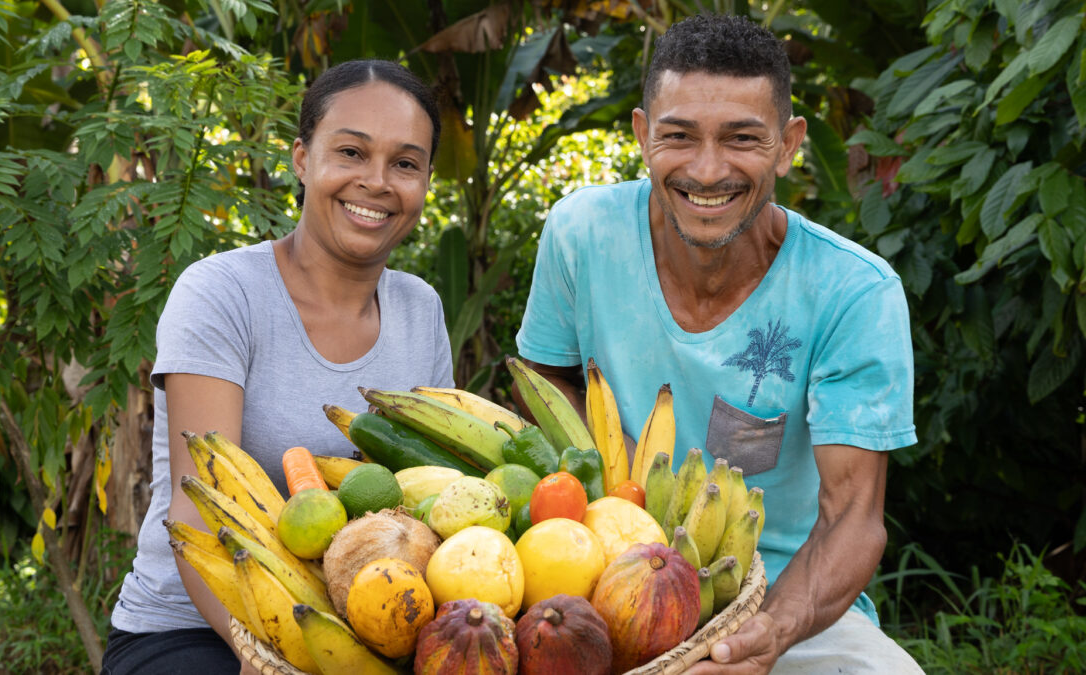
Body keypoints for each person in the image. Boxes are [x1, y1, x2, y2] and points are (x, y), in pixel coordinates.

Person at [515, 14, 923, 674]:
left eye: (742, 139)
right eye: (679, 137)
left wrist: (767, 632)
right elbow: (542, 387)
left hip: (782, 599)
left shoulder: (852, 290)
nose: (708, 171)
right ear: (644, 136)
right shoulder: (580, 235)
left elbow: (854, 515)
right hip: (597, 585)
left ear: (789, 145)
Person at [101, 59, 452, 674]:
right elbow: (197, 514)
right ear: (301, 158)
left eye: (404, 163)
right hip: (197, 626)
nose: (376, 181)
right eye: (350, 152)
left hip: (371, 623)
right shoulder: (222, 293)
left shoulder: (420, 310)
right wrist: (259, 655)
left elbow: (433, 497)